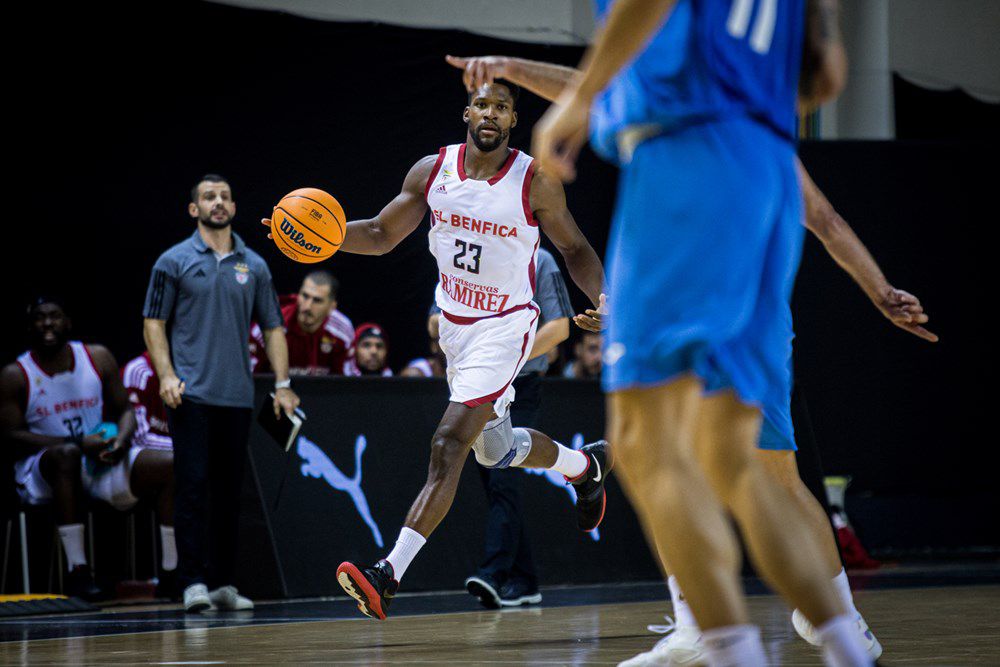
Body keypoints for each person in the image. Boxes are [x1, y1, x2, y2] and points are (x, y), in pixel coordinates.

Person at [447, 48, 934, 663]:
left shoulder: (717, 123)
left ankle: (760, 624)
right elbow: (827, 221)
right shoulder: (721, 125)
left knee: (713, 467)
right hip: (714, 314)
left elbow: (592, 87)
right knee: (712, 467)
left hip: (711, 310)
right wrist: (880, 290)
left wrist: (881, 291)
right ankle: (762, 624)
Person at [528, 0, 871, 664]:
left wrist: (582, 97)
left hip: (686, 154)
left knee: (642, 443)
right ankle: (847, 649)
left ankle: (726, 648)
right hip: (765, 167)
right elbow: (824, 78)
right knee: (734, 458)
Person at [265, 80, 608, 621]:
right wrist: (321, 237)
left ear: (514, 121)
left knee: (448, 442)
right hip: (455, 326)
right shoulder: (432, 171)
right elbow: (379, 233)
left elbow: (575, 248)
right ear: (466, 111)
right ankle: (584, 466)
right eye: (483, 105)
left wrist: (603, 298)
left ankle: (387, 575)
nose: (490, 114)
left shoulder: (533, 180)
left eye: (503, 107)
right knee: (493, 450)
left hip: (506, 325)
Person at [143, 174, 300, 613]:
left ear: (233, 206)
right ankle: (191, 581)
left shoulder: (255, 264)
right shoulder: (172, 261)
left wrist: (284, 385)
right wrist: (167, 375)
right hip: (190, 394)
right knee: (192, 486)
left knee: (230, 492)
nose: (218, 203)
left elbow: (273, 327)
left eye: (225, 196)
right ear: (194, 209)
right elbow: (153, 322)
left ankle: (223, 583)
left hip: (236, 395)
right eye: (209, 197)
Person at [428, 247, 574, 608]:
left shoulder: (541, 261)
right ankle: (525, 580)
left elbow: (559, 327)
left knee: (502, 471)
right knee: (495, 480)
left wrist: (508, 354)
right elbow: (434, 321)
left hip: (520, 383)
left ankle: (494, 572)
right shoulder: (471, 249)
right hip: (474, 385)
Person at [0, 298, 171, 601]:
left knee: (171, 463)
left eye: (55, 316)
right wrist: (77, 444)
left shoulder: (97, 357)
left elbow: (126, 411)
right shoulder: (16, 374)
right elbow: (11, 436)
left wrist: (121, 441)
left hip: (98, 461)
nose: (48, 324)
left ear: (68, 322)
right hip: (45, 472)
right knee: (67, 456)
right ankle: (78, 570)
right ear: (29, 327)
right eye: (40, 318)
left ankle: (172, 573)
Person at [121, 351, 180, 599]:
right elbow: (139, 437)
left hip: (175, 455)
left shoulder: (196, 367)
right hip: (130, 459)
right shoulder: (139, 370)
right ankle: (172, 572)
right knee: (177, 466)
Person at [250, 270, 354, 376]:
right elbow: (248, 378)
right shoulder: (268, 325)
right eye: (305, 296)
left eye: (317, 300)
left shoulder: (342, 331)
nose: (307, 306)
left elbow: (350, 382)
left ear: (331, 307)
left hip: (324, 391)